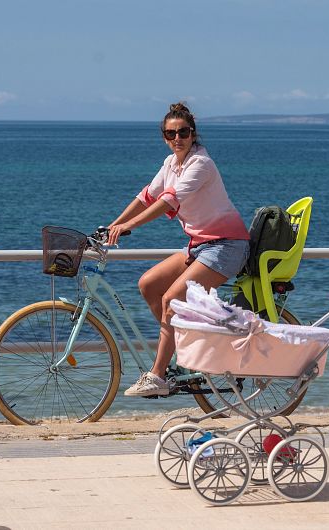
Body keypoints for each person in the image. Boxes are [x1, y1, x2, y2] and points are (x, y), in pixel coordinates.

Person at [107, 102, 250, 397]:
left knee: (171, 299)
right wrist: (113, 224)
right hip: (200, 245)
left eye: (183, 132)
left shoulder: (201, 164)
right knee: (149, 285)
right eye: (171, 133)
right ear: (164, 137)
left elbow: (168, 201)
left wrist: (130, 226)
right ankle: (186, 348)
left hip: (226, 245)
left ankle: (158, 374)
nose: (177, 138)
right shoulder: (170, 164)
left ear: (193, 134)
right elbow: (148, 195)